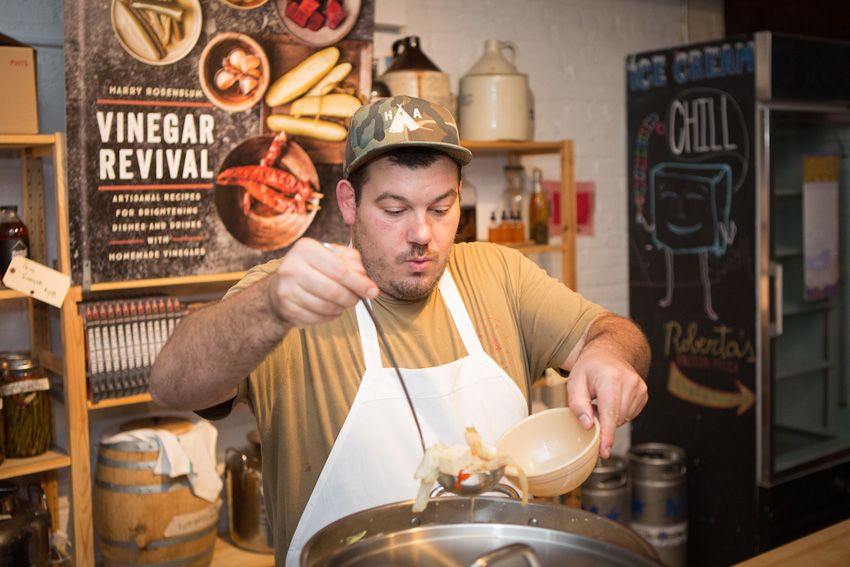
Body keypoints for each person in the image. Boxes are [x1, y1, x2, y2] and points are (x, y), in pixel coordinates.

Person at [150, 95, 650, 565]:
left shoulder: (499, 274)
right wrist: (267, 307)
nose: (422, 235)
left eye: (441, 208)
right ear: (349, 203)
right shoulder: (290, 294)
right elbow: (171, 384)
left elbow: (615, 335)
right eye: (394, 210)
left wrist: (610, 355)